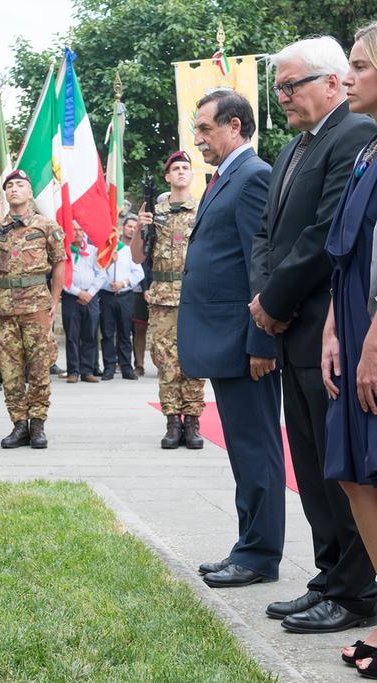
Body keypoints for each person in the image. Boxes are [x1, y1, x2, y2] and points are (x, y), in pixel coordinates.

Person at [250, 36, 377, 632]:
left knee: (341, 467)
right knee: (312, 462)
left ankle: (355, 591)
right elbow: (270, 237)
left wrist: (275, 301)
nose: (282, 98)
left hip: (326, 323)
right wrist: (265, 299)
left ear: (330, 82)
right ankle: (328, 576)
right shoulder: (295, 145)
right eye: (278, 88)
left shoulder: (351, 134)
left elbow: (325, 236)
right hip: (294, 326)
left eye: (291, 85)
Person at [174, 90, 285, 587]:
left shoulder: (253, 177)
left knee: (255, 447)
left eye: (205, 128)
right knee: (242, 449)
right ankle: (248, 545)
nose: (197, 139)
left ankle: (260, 556)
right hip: (225, 341)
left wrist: (261, 343)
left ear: (235, 126)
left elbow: (260, 267)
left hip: (246, 344)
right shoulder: (224, 178)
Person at [321, 23, 377, 674]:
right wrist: (338, 327)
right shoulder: (367, 151)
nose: (350, 77)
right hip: (355, 322)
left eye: (360, 66)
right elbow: (351, 251)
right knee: (353, 468)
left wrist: (370, 344)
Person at [0, 169, 66, 449]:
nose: (14, 189)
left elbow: (60, 261)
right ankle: (18, 425)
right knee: (9, 369)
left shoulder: (46, 226)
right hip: (4, 309)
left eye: (20, 185)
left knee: (38, 367)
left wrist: (55, 299)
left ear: (29, 192)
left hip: (36, 304)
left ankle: (38, 425)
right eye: (9, 185)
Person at [132, 151, 205, 449]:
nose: (181, 172)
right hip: (163, 298)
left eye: (185, 168)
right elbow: (138, 256)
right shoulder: (154, 212)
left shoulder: (202, 210)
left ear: (191, 174)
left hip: (194, 296)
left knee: (195, 359)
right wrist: (140, 227)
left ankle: (193, 422)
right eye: (175, 168)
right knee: (165, 361)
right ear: (167, 176)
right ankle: (172, 422)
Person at [62, 221, 106, 383]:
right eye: (74, 230)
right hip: (71, 297)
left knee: (90, 334)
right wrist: (78, 292)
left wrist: (90, 293)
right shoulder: (65, 252)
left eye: (80, 229)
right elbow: (63, 277)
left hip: (91, 297)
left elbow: (101, 273)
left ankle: (87, 370)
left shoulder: (93, 251)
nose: (78, 233)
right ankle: (73, 371)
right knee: (72, 335)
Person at [99, 233, 144, 381]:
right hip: (107, 296)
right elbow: (96, 272)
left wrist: (123, 283)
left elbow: (139, 273)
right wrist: (110, 263)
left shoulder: (127, 250)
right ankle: (109, 367)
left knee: (125, 333)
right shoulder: (103, 252)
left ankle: (126, 367)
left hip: (125, 296)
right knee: (107, 334)